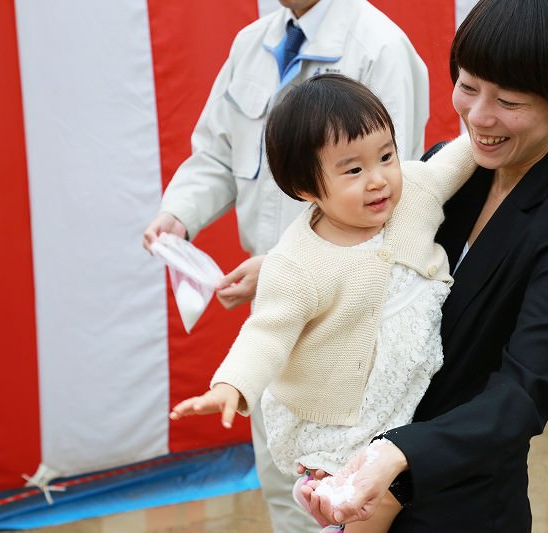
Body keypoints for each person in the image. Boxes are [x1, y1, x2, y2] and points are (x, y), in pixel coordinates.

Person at [300, 0, 548, 531]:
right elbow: (379, 250)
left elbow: (521, 395)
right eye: (468, 87)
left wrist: (397, 453)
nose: (480, 117)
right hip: (364, 477)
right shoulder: (455, 163)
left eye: (509, 100)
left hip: (462, 500)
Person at [141, 1, 429, 531]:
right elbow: (216, 155)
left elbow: (392, 196)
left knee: (354, 495)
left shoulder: (378, 46)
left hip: (351, 322)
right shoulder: (252, 44)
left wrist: (281, 266)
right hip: (278, 309)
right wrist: (177, 217)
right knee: (286, 486)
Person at [168, 74, 476, 532]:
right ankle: (329, 492)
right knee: (371, 500)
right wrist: (231, 385)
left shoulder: (414, 191)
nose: (378, 180)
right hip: (338, 417)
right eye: (352, 170)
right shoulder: (297, 262)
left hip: (407, 393)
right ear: (306, 188)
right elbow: (267, 334)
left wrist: (485, 131)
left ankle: (333, 499)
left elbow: (458, 156)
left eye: (386, 156)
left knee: (395, 483)